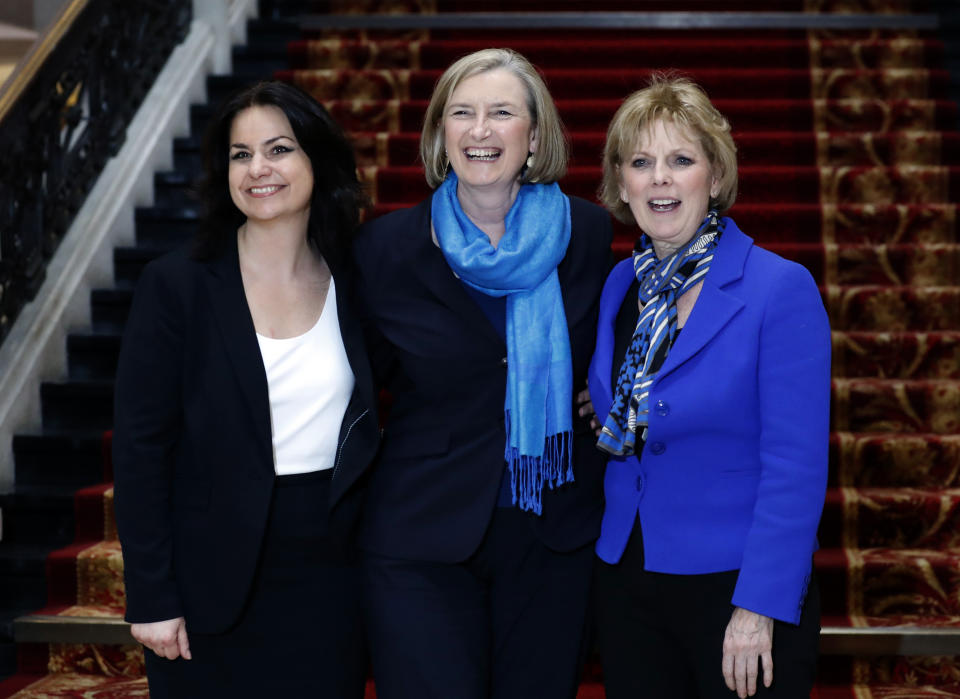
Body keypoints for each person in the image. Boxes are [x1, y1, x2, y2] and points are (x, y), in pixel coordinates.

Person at [351, 48, 612, 698]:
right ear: (441, 133)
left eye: (501, 112)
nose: (480, 130)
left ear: (533, 135)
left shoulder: (587, 233)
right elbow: (357, 380)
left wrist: (601, 393)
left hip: (552, 530)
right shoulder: (386, 248)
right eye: (461, 113)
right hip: (420, 532)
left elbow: (620, 339)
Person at [112, 80, 378, 698]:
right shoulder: (177, 285)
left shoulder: (357, 277)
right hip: (207, 579)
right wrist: (152, 595)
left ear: (317, 159)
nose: (258, 169)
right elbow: (140, 448)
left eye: (279, 149)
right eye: (240, 154)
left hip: (327, 574)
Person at [585, 75, 830, 698]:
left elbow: (795, 468)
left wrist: (759, 607)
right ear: (621, 183)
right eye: (641, 162)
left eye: (681, 160)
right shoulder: (621, 285)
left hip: (737, 587)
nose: (659, 178)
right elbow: (630, 407)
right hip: (627, 575)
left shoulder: (779, 287)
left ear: (715, 178)